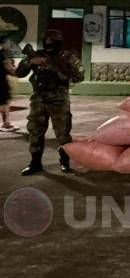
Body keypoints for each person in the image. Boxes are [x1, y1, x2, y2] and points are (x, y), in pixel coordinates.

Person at [16, 29, 84, 175]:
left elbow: (79, 76)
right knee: (35, 130)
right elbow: (19, 72)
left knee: (63, 132)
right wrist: (30, 61)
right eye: (46, 41)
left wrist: (56, 69)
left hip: (59, 98)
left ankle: (65, 162)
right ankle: (35, 163)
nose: (48, 44)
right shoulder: (37, 55)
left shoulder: (67, 56)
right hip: (38, 98)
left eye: (51, 41)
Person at [0, 34, 17, 131]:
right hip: (2, 82)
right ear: (4, 43)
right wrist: (19, 73)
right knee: (5, 102)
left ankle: (5, 123)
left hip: (2, 80)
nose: (10, 43)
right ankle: (5, 124)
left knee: (4, 102)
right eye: (8, 42)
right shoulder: (4, 54)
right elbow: (9, 68)